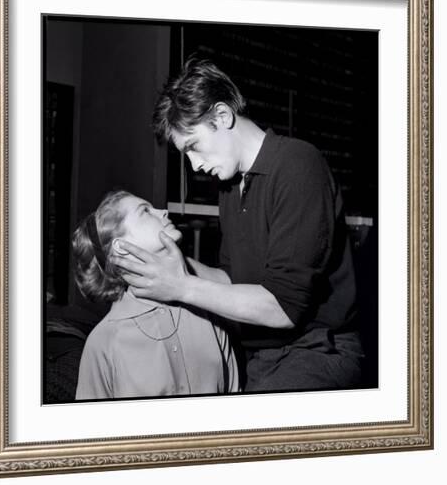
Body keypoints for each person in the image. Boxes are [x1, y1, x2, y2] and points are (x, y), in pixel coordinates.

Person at [110, 57, 364, 392]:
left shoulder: (298, 166)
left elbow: (282, 308)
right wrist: (165, 265)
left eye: (194, 147)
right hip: (263, 355)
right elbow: (232, 279)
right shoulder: (231, 188)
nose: (195, 165)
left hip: (318, 351)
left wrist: (181, 286)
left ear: (222, 116)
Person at [72, 190, 239, 400]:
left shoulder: (208, 314)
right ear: (121, 247)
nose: (164, 211)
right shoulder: (104, 342)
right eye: (145, 211)